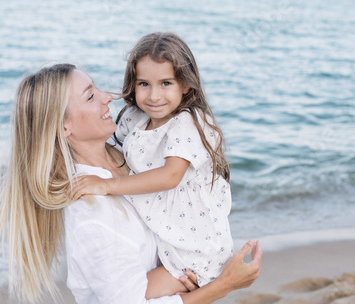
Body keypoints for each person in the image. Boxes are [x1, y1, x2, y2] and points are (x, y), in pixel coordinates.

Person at [0, 63, 262, 304]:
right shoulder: (91, 214)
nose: (107, 97)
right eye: (90, 96)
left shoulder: (132, 156)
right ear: (63, 127)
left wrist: (184, 272)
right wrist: (222, 285)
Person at [68, 32, 233, 287]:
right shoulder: (134, 117)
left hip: (195, 247)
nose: (154, 96)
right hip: (162, 238)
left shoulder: (189, 122)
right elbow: (110, 152)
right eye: (144, 84)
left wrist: (105, 186)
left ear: (186, 85)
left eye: (166, 83)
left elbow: (170, 176)